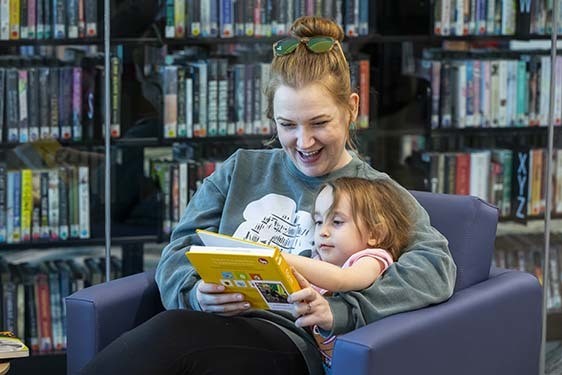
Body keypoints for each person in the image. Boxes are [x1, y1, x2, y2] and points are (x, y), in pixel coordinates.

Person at [78, 16, 456, 375]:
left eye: (319, 123)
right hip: (210, 324)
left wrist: (342, 310)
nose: (304, 142)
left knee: (172, 335)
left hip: (288, 344)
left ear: (351, 108)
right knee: (176, 336)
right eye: (287, 125)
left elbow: (436, 266)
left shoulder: (375, 190)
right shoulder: (240, 169)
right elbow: (179, 251)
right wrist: (196, 294)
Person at [282, 176, 414, 369]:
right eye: (318, 222)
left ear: (374, 234)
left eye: (336, 222)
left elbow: (341, 279)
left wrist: (282, 259)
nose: (323, 232)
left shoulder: (372, 259)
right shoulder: (320, 259)